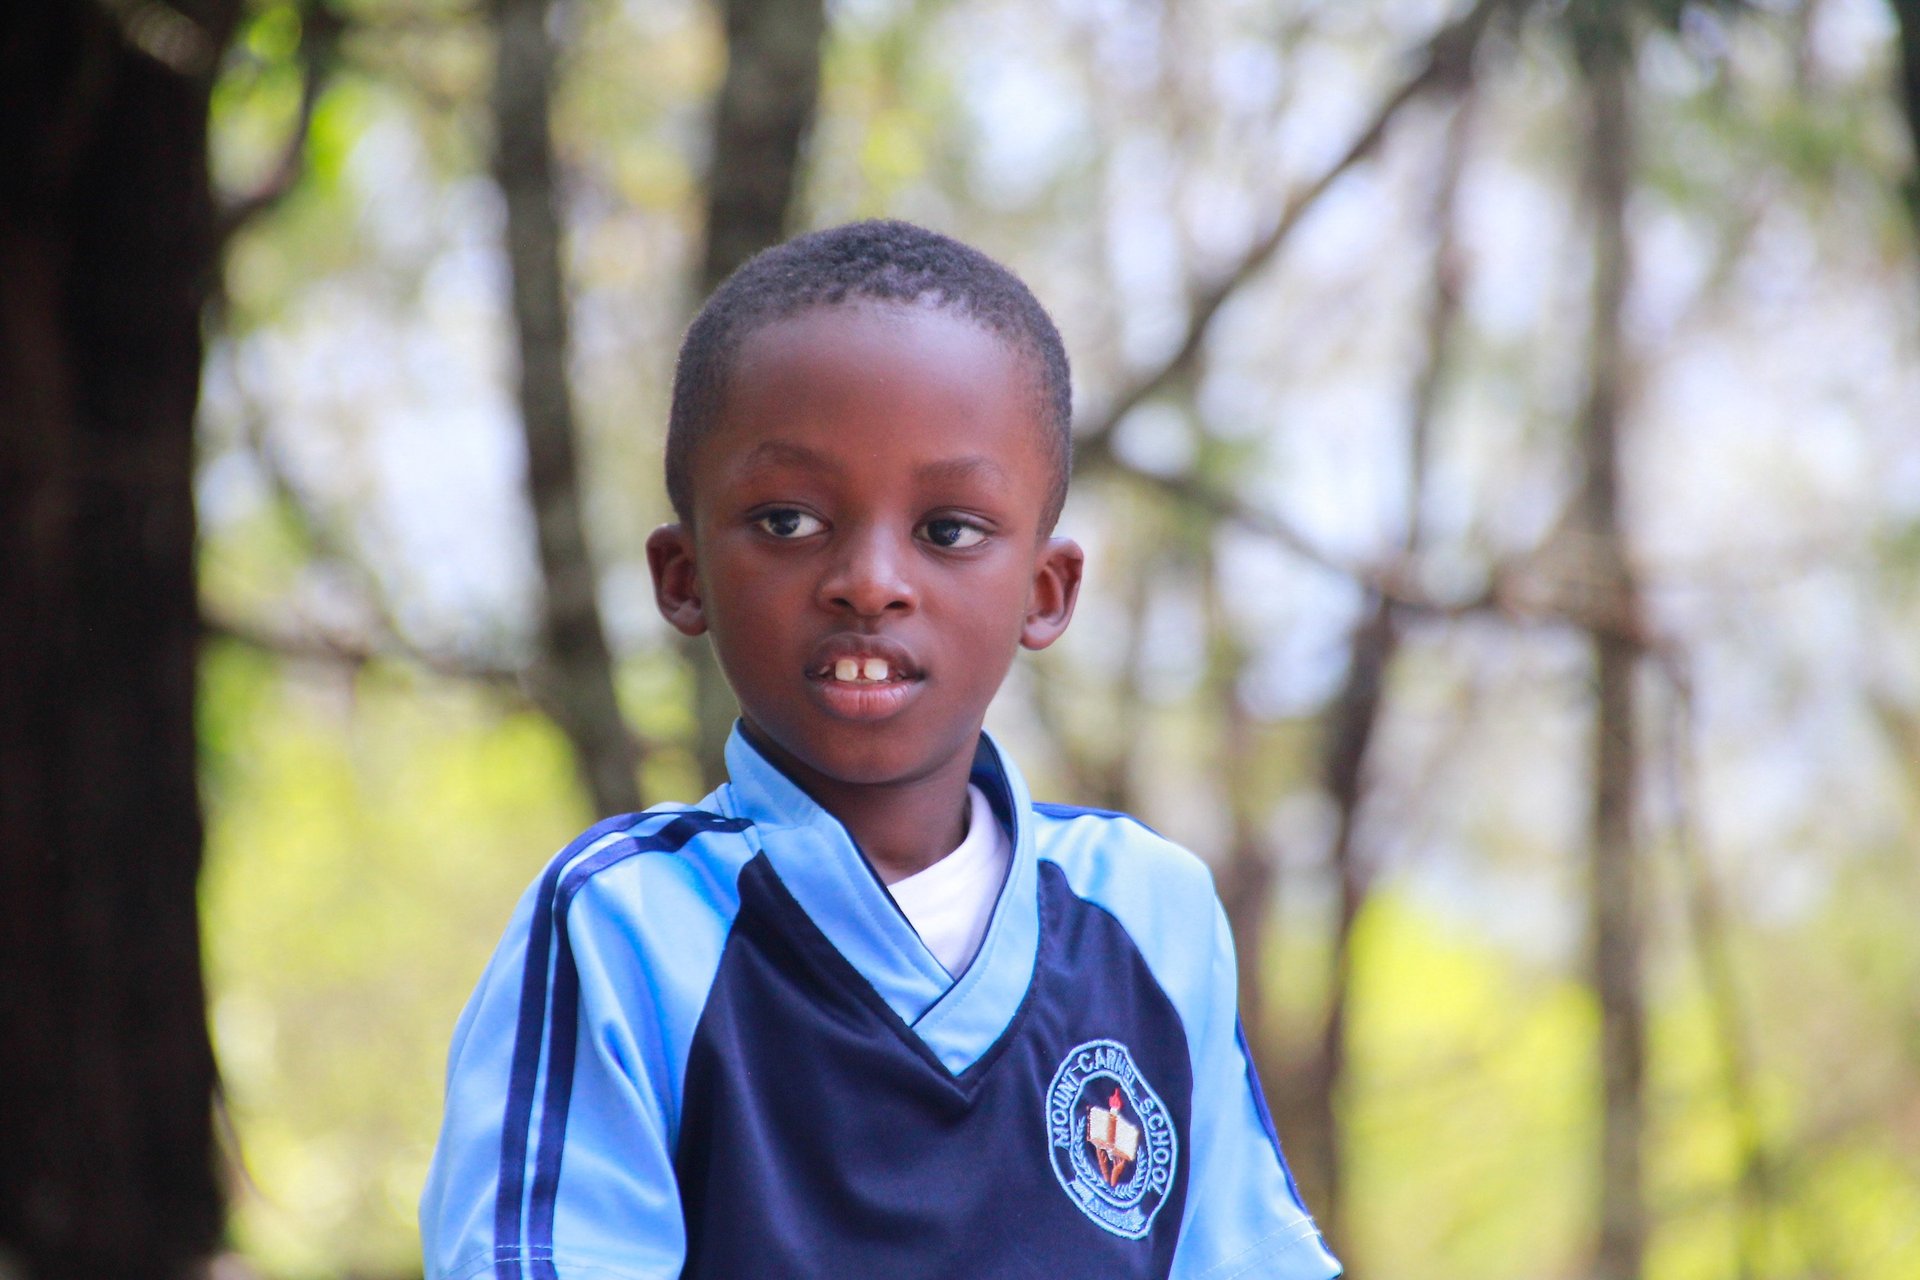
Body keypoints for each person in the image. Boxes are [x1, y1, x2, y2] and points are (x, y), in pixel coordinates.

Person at [419, 220, 1342, 1280]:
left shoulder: (1152, 912)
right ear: (681, 577)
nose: (869, 579)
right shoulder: (620, 930)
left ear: (1047, 593)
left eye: (948, 530)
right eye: (786, 520)